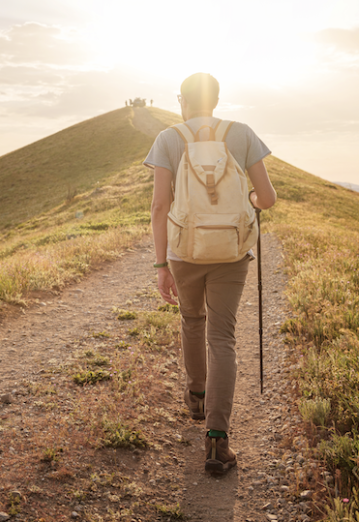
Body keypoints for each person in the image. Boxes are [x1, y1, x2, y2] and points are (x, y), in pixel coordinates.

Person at [143, 72, 276, 474]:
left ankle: (196, 393)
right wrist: (249, 198)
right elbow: (267, 199)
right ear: (216, 102)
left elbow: (159, 208)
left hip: (184, 252)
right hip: (232, 252)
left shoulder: (168, 139)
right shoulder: (243, 133)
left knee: (192, 319)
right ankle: (218, 441)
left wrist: (161, 264)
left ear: (182, 101)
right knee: (223, 337)